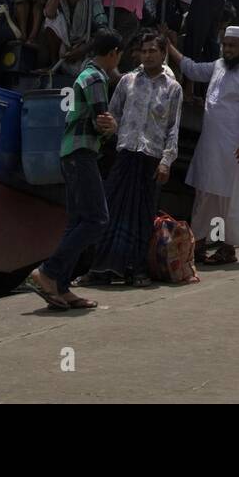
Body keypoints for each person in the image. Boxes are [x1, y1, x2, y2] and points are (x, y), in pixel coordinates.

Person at [28, 29, 122, 310]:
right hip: (81, 153)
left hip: (71, 153)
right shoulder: (96, 77)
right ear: (114, 53)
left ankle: (61, 286)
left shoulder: (85, 73)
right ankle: (48, 272)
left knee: (78, 221)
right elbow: (101, 122)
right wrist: (113, 128)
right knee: (97, 219)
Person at [86, 31, 182, 286]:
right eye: (145, 50)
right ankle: (101, 269)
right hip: (126, 153)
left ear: (163, 54)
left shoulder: (173, 88)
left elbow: (173, 128)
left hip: (151, 159)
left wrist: (166, 161)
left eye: (154, 50)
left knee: (143, 215)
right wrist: (108, 124)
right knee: (113, 210)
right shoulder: (127, 81)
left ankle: (136, 270)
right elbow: (114, 114)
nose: (148, 55)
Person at [166, 27, 239, 263]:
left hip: (234, 150)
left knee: (229, 200)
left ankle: (228, 248)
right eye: (225, 45)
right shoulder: (219, 66)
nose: (228, 49)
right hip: (211, 146)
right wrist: (169, 47)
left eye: (233, 45)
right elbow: (191, 68)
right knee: (205, 194)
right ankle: (200, 243)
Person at [43, 0, 108, 75]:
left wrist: (83, 49)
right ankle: (54, 65)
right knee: (49, 21)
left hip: (85, 50)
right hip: (64, 51)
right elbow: (49, 13)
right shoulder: (60, 0)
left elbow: (103, 30)